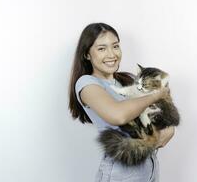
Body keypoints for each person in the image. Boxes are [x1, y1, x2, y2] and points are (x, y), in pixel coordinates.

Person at [69, 23, 175, 182]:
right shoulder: (87, 83)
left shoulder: (128, 80)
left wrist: (169, 127)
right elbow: (118, 115)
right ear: (87, 54)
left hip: (149, 167)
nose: (111, 54)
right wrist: (156, 96)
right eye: (101, 49)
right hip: (122, 173)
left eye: (115, 46)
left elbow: (160, 110)